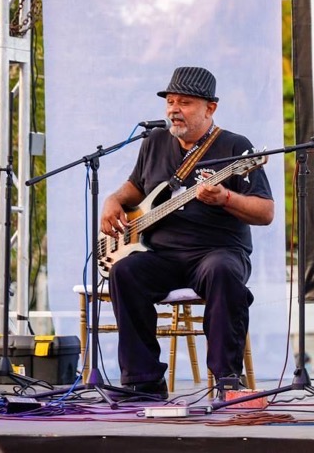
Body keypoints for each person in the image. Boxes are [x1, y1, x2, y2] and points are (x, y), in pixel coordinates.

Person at [101, 66, 274, 398]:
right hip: (162, 256)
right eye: (170, 101)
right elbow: (136, 187)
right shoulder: (154, 141)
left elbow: (265, 212)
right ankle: (143, 382)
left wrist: (226, 198)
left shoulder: (236, 146)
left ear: (210, 108)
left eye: (185, 102)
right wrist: (113, 200)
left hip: (216, 252)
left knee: (223, 271)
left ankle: (227, 381)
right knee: (124, 272)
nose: (174, 109)